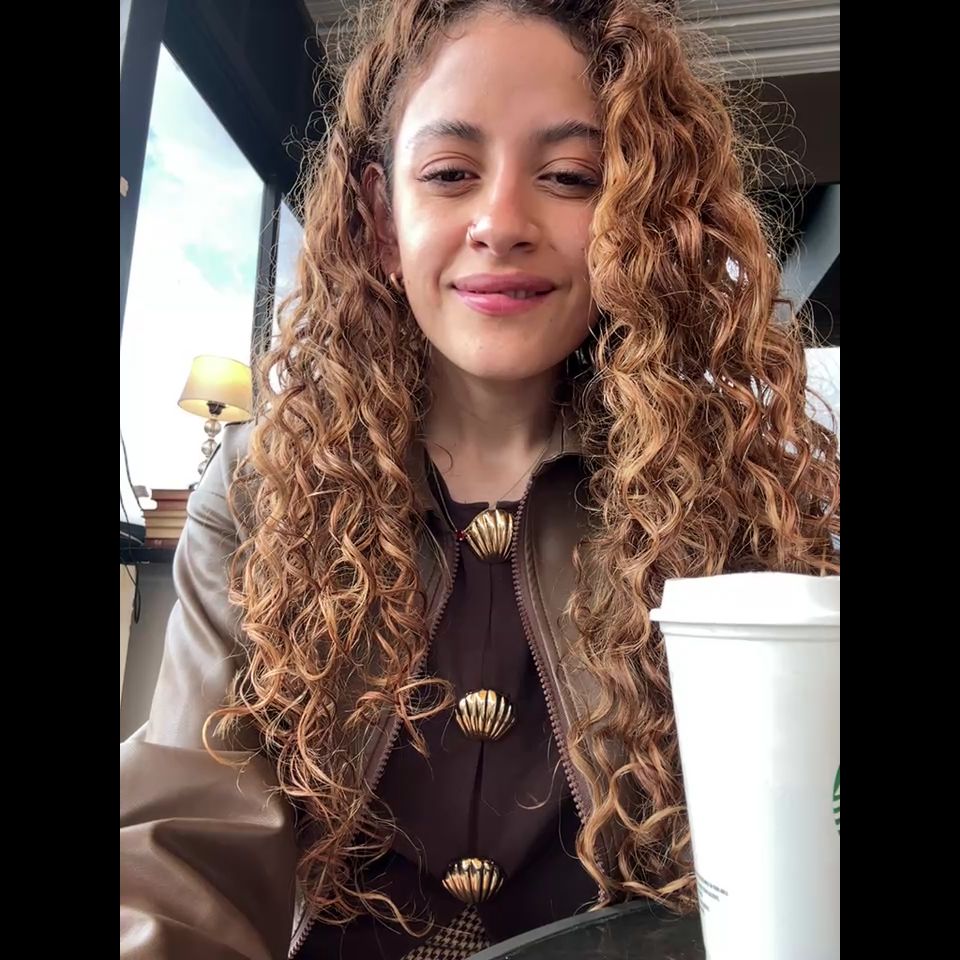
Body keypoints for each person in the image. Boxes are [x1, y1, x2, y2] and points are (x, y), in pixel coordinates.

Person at [119, 1, 840, 957]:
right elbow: (184, 850)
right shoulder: (260, 486)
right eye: (451, 174)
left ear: (636, 217)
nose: (501, 223)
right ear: (382, 219)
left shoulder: (732, 488)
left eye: (570, 177)